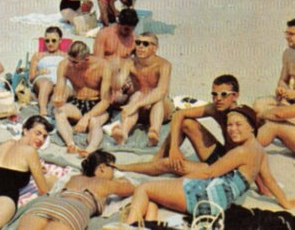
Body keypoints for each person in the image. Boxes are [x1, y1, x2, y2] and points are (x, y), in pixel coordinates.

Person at [124, 106, 295, 224]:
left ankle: (130, 225)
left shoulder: (241, 152)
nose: (232, 129)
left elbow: (208, 174)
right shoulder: (259, 151)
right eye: (229, 125)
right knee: (155, 196)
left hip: (205, 200)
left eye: (238, 125)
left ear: (252, 127)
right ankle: (149, 224)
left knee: (144, 188)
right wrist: (287, 205)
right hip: (218, 201)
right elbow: (270, 181)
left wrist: (179, 182)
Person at [118, 75, 241, 176]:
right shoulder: (215, 109)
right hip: (221, 154)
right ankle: (158, 157)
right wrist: (174, 148)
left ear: (235, 96)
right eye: (214, 94)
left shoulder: (243, 117)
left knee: (168, 165)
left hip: (226, 169)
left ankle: (125, 168)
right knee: (186, 122)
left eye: (224, 94)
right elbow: (178, 115)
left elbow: (255, 150)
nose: (218, 99)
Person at [18, 150, 135, 230]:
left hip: (48, 204)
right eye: (113, 168)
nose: (114, 172)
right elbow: (132, 188)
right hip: (73, 210)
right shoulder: (106, 183)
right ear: (102, 168)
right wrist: (120, 175)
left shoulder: (74, 178)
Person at [111, 32, 174, 146]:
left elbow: (161, 91)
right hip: (140, 110)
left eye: (145, 44)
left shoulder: (164, 65)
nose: (140, 46)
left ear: (154, 48)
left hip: (160, 109)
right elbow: (117, 85)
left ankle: (154, 131)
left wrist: (135, 105)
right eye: (138, 42)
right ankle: (123, 133)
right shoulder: (129, 62)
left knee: (157, 99)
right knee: (137, 94)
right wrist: (116, 71)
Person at [52, 41, 113, 156]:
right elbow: (59, 92)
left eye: (75, 62)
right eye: (69, 60)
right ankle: (70, 144)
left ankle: (89, 150)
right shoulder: (64, 65)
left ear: (86, 59)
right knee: (58, 112)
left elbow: (106, 100)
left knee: (94, 122)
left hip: (97, 104)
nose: (71, 64)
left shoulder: (103, 66)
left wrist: (87, 117)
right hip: (78, 102)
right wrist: (58, 99)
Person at [254, 18, 295, 151]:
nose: (286, 37)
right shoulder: (288, 53)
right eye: (286, 33)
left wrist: (259, 116)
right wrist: (282, 89)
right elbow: (283, 79)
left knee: (274, 121)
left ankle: (244, 153)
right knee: (258, 105)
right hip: (290, 101)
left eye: (291, 34)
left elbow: (281, 114)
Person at [29, 26, 69, 117]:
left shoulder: (66, 56)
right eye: (47, 41)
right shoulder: (38, 55)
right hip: (43, 79)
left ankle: (52, 111)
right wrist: (39, 73)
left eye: (54, 40)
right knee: (46, 83)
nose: (50, 44)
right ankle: (43, 111)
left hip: (59, 80)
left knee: (61, 87)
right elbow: (31, 78)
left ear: (60, 41)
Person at [93, 8, 139, 73]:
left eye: (131, 29)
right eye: (126, 29)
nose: (128, 32)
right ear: (119, 23)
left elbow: (139, 63)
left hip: (123, 73)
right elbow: (97, 60)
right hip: (103, 71)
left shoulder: (135, 40)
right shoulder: (104, 34)